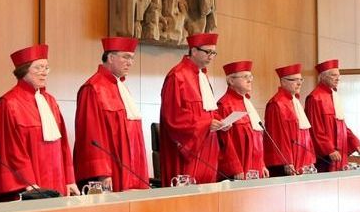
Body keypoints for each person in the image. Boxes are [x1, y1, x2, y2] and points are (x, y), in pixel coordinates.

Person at [0, 44, 79, 200]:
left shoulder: (50, 101)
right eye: (38, 68)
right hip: (29, 186)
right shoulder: (9, 103)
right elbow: (11, 149)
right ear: (24, 70)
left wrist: (69, 179)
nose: (44, 72)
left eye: (46, 68)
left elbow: (63, 145)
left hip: (57, 180)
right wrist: (28, 183)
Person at [73, 37, 149, 191]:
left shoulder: (122, 87)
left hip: (132, 167)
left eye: (132, 58)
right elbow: (90, 134)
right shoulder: (93, 88)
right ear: (110, 57)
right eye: (125, 57)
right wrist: (102, 172)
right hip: (111, 170)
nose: (130, 62)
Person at [159, 32, 227, 186]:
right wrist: (206, 124)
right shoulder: (177, 76)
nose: (211, 56)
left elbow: (210, 110)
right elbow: (173, 116)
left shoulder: (203, 76)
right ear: (194, 51)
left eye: (213, 53)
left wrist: (221, 122)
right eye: (207, 52)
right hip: (188, 150)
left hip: (208, 146)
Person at [305, 59, 360, 172]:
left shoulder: (334, 95)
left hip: (339, 152)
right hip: (325, 155)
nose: (338, 79)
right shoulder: (315, 98)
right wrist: (329, 149)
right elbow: (315, 128)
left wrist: (354, 141)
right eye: (333, 75)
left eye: (339, 75)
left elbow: (342, 126)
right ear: (323, 77)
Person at [216, 61, 269, 179]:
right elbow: (225, 141)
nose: (250, 80)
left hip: (255, 167)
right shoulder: (225, 105)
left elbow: (257, 138)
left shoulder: (247, 103)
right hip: (240, 169)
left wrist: (262, 164)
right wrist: (234, 168)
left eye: (250, 76)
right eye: (245, 77)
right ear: (231, 81)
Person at [264, 64, 316, 176]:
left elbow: (305, 134)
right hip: (288, 162)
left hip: (303, 158)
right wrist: (286, 160)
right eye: (294, 80)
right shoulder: (277, 104)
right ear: (283, 82)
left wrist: (310, 158)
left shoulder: (295, 101)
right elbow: (277, 136)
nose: (299, 83)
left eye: (300, 79)